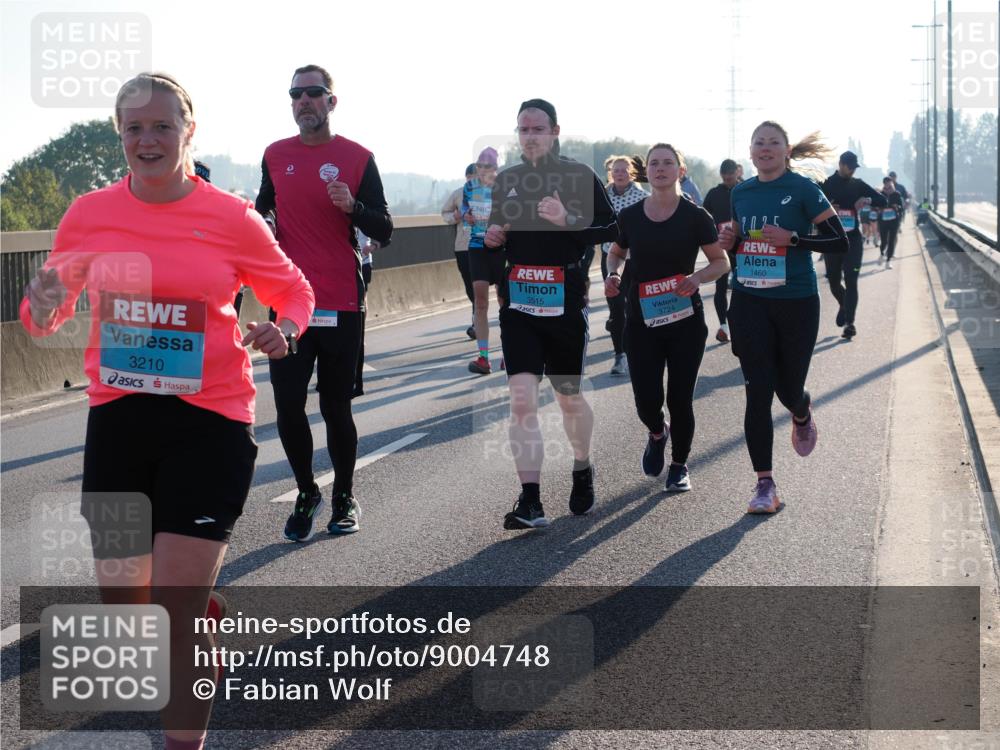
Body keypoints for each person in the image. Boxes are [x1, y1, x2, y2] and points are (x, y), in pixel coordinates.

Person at [20, 72, 314, 750]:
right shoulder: (89, 212)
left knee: (175, 616)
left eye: (162, 126)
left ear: (189, 130)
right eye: (134, 128)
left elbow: (292, 290)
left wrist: (284, 329)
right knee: (129, 611)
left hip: (209, 422)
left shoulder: (230, 217)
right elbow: (45, 321)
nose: (147, 140)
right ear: (119, 135)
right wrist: (41, 293)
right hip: (121, 420)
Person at [256, 64, 392, 541]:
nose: (304, 101)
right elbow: (260, 215)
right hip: (288, 303)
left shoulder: (357, 158)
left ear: (332, 101)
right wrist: (266, 228)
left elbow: (385, 229)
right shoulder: (276, 155)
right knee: (288, 407)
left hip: (341, 302)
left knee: (336, 407)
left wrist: (353, 207)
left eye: (314, 93)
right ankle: (307, 490)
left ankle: (344, 497)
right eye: (296, 94)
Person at [484, 98, 617, 529]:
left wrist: (569, 219)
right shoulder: (506, 180)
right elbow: (499, 234)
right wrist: (492, 236)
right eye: (523, 129)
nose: (530, 136)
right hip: (519, 305)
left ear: (555, 131)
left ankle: (581, 463)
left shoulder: (580, 176)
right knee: (522, 402)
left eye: (538, 129)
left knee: (568, 398)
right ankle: (531, 500)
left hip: (565, 303)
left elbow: (614, 230)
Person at [718, 121, 848, 514]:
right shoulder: (741, 192)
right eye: (759, 143)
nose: (765, 148)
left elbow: (839, 241)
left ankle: (801, 409)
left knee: (788, 388)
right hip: (749, 299)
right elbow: (742, 241)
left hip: (796, 301)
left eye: (773, 143)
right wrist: (732, 241)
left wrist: (793, 240)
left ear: (786, 150)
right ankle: (764, 484)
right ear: (751, 151)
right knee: (758, 389)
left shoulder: (804, 189)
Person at [605, 144, 730, 491]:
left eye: (668, 163)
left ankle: (679, 465)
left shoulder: (696, 216)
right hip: (642, 321)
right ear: (647, 171)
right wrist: (612, 275)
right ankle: (657, 432)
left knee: (679, 397)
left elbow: (721, 263)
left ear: (680, 170)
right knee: (646, 399)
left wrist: (697, 279)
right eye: (654, 164)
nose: (660, 168)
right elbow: (615, 254)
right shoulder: (630, 216)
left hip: (685, 321)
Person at [819, 151, 886, 339]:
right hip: (832, 240)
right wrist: (828, 208)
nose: (852, 171)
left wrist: (868, 199)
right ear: (841, 164)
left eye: (855, 168)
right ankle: (843, 303)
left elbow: (883, 200)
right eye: (850, 167)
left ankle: (850, 324)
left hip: (853, 241)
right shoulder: (826, 184)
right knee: (833, 281)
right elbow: (811, 207)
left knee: (851, 280)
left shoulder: (858, 185)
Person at [601, 154, 648, 376]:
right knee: (616, 308)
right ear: (610, 173)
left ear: (631, 173)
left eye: (623, 170)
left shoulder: (642, 196)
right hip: (610, 257)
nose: (619, 174)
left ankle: (641, 350)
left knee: (636, 307)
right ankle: (620, 355)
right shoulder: (602, 196)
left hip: (636, 259)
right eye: (615, 170)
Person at [465, 147, 504, 374]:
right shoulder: (469, 187)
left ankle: (509, 353)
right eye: (479, 166)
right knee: (480, 303)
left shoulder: (505, 186)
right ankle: (483, 357)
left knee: (504, 302)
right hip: (477, 246)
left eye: (486, 166)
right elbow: (464, 211)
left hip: (500, 248)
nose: (481, 170)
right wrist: (467, 216)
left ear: (495, 168)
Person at [701, 158, 741, 343]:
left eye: (730, 174)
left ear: (737, 173)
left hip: (743, 247)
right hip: (722, 248)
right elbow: (704, 217)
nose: (727, 177)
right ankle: (723, 325)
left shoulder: (745, 190)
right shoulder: (714, 194)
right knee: (721, 287)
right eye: (724, 175)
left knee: (742, 288)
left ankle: (739, 323)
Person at [442, 163, 478, 339]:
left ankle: (476, 322)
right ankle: (477, 314)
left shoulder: (489, 194)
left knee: (478, 283)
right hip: (462, 246)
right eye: (470, 178)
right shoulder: (458, 194)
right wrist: (454, 217)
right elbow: (444, 213)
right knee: (469, 285)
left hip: (482, 245)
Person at [877, 177, 904, 269]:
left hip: (894, 221)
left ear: (892, 184)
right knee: (884, 241)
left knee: (891, 241)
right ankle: (881, 254)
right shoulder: (881, 194)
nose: (889, 187)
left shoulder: (897, 194)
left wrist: (897, 207)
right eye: (887, 185)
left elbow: (901, 208)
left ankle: (888, 261)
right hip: (883, 221)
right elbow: (877, 206)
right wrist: (881, 208)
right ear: (884, 185)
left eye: (891, 185)